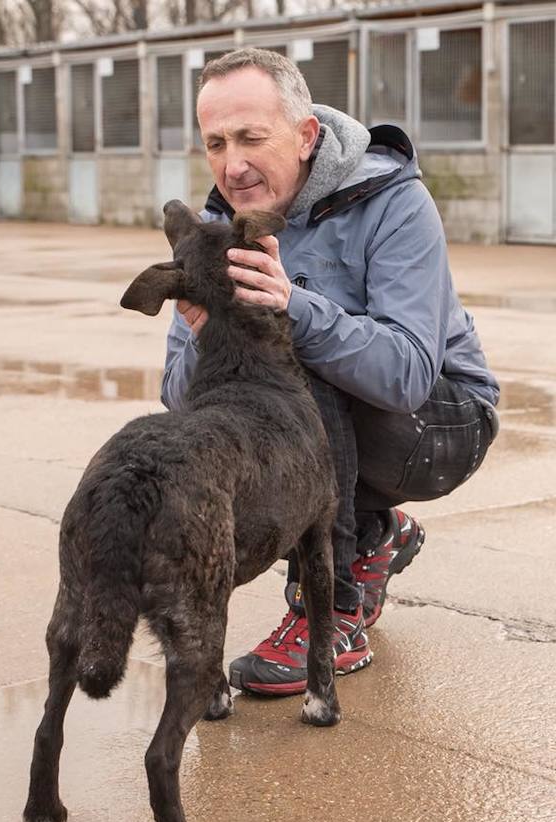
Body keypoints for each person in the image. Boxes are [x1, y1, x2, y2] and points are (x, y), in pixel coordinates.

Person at [160, 48, 500, 697]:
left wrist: (294, 310)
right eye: (216, 143)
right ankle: (374, 530)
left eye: (252, 137)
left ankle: (332, 613)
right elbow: (178, 396)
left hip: (440, 424)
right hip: (353, 428)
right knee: (242, 398)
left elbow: (408, 375)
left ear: (306, 134)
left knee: (289, 362)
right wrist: (207, 335)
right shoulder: (217, 231)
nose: (233, 164)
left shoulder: (395, 202)